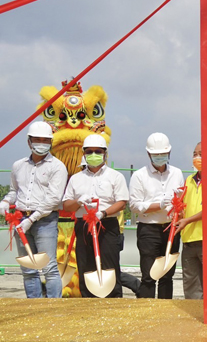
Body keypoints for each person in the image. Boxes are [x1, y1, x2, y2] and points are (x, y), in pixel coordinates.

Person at [0, 122, 68, 298]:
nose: (41, 143)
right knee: (28, 267)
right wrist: (6, 202)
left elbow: (53, 198)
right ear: (29, 141)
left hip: (45, 220)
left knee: (49, 266)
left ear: (51, 142)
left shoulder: (57, 166)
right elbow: (15, 191)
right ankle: (33, 304)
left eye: (45, 140)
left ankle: (53, 307)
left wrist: (32, 219)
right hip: (21, 219)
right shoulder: (18, 166)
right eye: (37, 139)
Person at [62, 134, 129, 298]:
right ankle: (88, 302)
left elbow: (122, 202)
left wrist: (103, 213)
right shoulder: (76, 179)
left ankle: (113, 300)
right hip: (83, 225)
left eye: (98, 151)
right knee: (86, 265)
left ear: (105, 153)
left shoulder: (115, 176)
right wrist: (78, 202)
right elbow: (66, 205)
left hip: (107, 225)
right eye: (89, 151)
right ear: (84, 154)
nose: (94, 154)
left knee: (110, 265)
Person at [128, 133, 185, 299]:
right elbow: (135, 206)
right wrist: (160, 204)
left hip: (171, 228)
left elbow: (181, 200)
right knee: (149, 274)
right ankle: (147, 310)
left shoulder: (177, 173)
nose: (160, 157)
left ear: (169, 153)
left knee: (167, 274)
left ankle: (165, 310)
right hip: (149, 229)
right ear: (148, 154)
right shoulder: (140, 176)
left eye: (163, 154)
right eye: (156, 155)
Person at [176, 142, 203, 300]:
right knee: (191, 285)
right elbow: (183, 207)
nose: (197, 157)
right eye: (194, 154)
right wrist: (178, 214)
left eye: (201, 153)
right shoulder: (189, 180)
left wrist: (187, 220)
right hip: (188, 240)